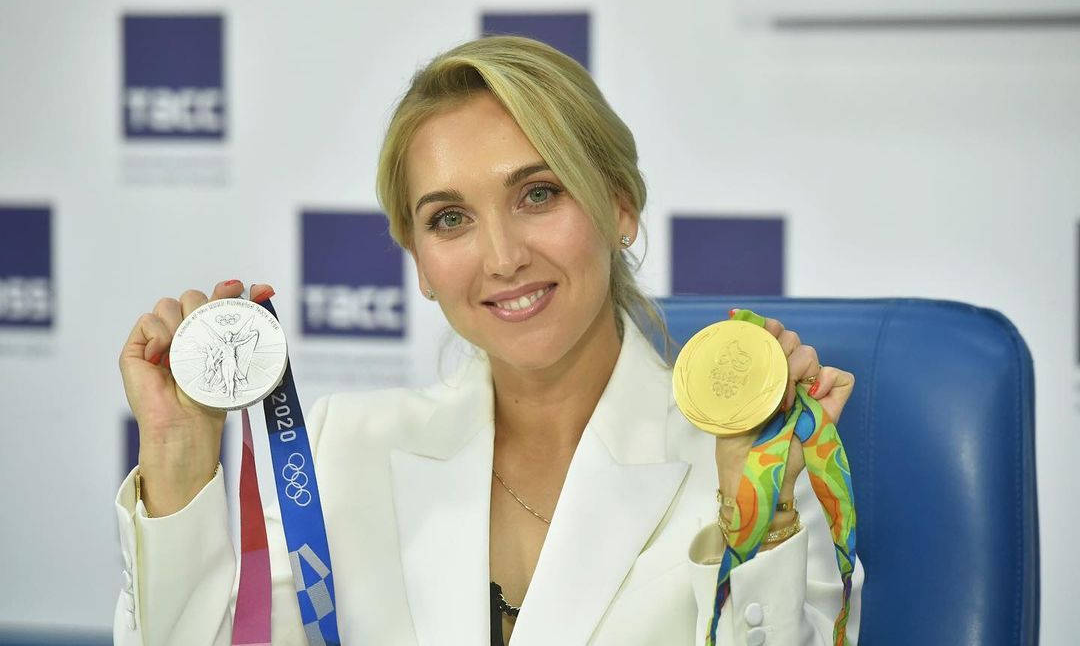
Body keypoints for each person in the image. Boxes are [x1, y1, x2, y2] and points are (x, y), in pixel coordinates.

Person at [114, 35, 864, 645]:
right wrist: (179, 460)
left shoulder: (753, 462)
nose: (502, 255)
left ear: (620, 208)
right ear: (420, 264)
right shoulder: (339, 452)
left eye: (538, 194)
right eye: (450, 218)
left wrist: (759, 516)